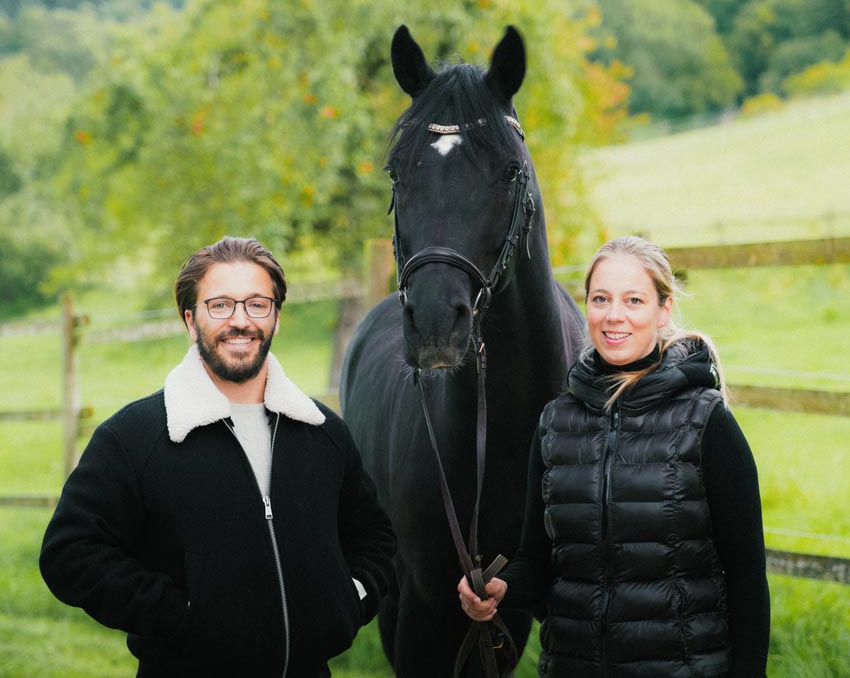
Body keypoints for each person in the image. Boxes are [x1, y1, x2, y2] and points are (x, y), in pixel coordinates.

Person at [40, 236, 396, 678]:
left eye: (257, 304)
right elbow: (70, 552)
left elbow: (375, 536)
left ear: (277, 318)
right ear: (191, 321)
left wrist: (351, 596)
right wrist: (179, 616)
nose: (240, 320)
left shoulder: (323, 432)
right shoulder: (134, 437)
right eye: (221, 305)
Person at [458, 235, 770, 677]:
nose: (613, 315)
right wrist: (500, 589)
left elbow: (747, 577)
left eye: (634, 300)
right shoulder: (555, 422)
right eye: (600, 298)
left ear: (663, 310)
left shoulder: (706, 422)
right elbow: (537, 561)